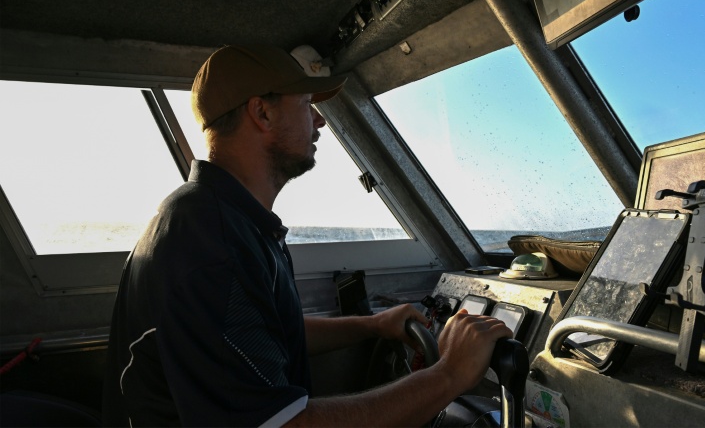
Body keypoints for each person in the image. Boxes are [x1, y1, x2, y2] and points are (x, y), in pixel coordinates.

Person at [102, 44, 513, 426]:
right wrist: (450, 375)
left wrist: (372, 326)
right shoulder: (212, 242)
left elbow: (266, 333)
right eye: (305, 104)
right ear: (261, 114)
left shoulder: (218, 218)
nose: (318, 120)